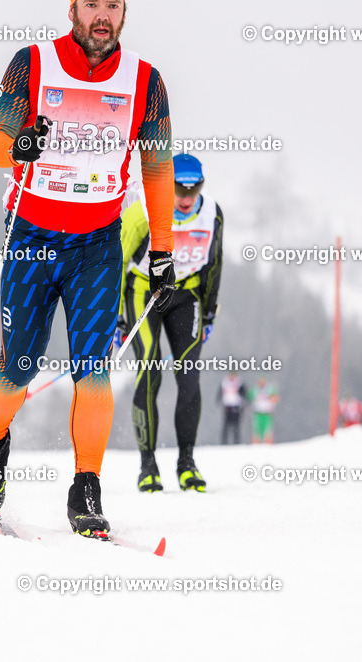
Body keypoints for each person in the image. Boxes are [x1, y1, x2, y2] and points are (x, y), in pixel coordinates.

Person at [0, 0, 175, 537]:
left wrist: (162, 248)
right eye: (93, 5)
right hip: (32, 237)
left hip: (98, 245)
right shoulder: (32, 62)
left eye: (113, 6)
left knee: (94, 369)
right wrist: (21, 146)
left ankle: (86, 489)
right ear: (73, 9)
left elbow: (157, 169)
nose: (103, 16)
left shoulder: (146, 81)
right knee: (17, 368)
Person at [116, 153, 223, 492]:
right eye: (179, 188)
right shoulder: (143, 211)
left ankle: (186, 463)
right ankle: (148, 466)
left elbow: (213, 265)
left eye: (195, 188)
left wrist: (208, 312)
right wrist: (116, 318)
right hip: (141, 293)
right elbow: (115, 263)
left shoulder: (211, 214)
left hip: (185, 295)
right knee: (149, 371)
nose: (187, 197)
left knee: (189, 376)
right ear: (167, 184)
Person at [247, 376, 279, 444]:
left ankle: (268, 445)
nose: (261, 383)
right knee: (257, 431)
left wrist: (271, 398)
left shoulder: (270, 389)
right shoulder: (255, 389)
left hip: (267, 413)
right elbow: (248, 397)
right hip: (258, 413)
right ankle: (256, 445)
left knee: (268, 431)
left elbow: (275, 399)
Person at [217, 372, 246, 445]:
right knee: (226, 426)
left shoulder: (239, 383)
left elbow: (244, 394)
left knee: (236, 426)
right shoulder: (225, 382)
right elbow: (220, 392)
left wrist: (243, 403)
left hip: (236, 406)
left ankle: (236, 442)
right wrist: (218, 399)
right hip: (227, 407)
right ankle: (224, 442)